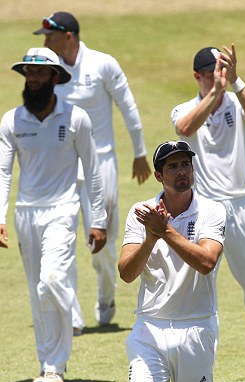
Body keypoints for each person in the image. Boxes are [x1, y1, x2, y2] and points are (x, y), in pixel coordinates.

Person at [0, 47, 107, 382]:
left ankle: (56, 365)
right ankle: (46, 364)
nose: (33, 78)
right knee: (36, 291)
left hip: (63, 209)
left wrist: (97, 220)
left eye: (40, 73)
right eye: (29, 73)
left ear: (55, 77)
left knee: (52, 280)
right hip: (26, 212)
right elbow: (1, 172)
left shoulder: (76, 119)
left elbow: (95, 173)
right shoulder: (12, 120)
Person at [171, 45, 245, 382]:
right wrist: (216, 92)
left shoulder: (237, 99)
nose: (216, 76)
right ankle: (194, 369)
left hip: (243, 207)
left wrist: (234, 83)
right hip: (204, 209)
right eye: (210, 72)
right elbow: (184, 129)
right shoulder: (186, 107)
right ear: (197, 76)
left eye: (221, 69)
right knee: (196, 290)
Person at [34, 11, 152, 330]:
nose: (45, 42)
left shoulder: (103, 64)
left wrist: (140, 152)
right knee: (63, 237)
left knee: (102, 242)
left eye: (49, 36)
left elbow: (128, 106)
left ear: (68, 36)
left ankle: (106, 295)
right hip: (65, 167)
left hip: (102, 163)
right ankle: (71, 313)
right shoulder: (50, 72)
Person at [118, 140, 226, 382]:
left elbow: (206, 262)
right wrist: (150, 238)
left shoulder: (212, 210)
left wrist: (164, 231)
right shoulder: (140, 212)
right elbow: (127, 273)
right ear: (158, 175)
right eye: (173, 166)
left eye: (186, 164)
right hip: (149, 328)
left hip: (197, 326)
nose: (182, 171)